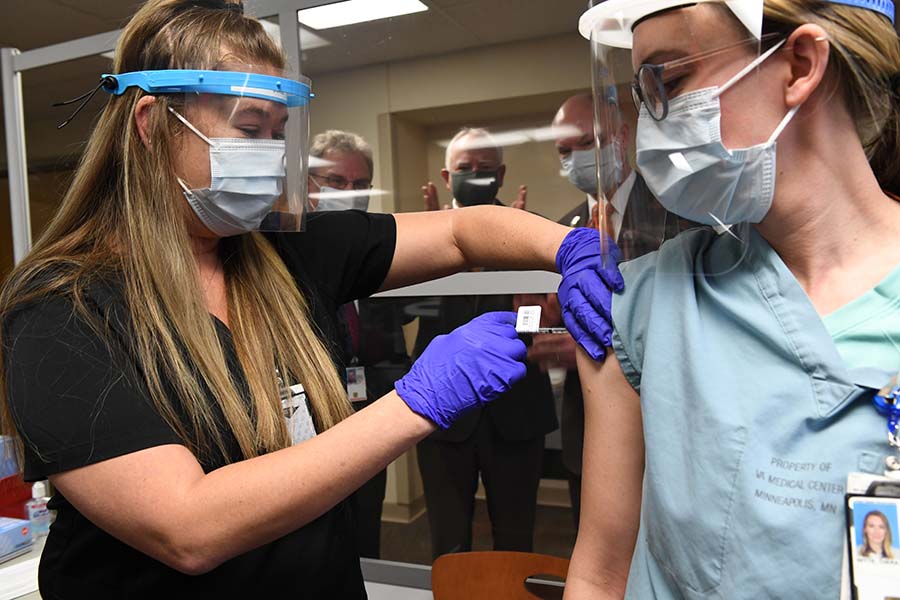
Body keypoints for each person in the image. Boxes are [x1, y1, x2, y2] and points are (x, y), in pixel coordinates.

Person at [0, 1, 617, 597]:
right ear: (151, 125)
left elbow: (463, 231)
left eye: (278, 133)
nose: (269, 156)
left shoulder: (284, 252)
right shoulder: (62, 307)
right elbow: (185, 528)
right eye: (249, 130)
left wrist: (570, 247)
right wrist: (418, 403)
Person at [564, 0, 900, 597]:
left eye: (669, 81)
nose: (652, 127)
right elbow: (600, 572)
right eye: (643, 97)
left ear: (799, 64)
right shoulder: (641, 304)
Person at [532, 92, 690, 527]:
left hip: (666, 424)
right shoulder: (559, 229)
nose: (576, 158)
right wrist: (549, 331)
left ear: (621, 137)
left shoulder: (678, 212)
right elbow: (557, 319)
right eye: (564, 151)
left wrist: (602, 344)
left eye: (587, 143)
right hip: (587, 427)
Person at [414, 127, 559, 559]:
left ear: (502, 174)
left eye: (485, 168)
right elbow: (405, 315)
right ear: (446, 175)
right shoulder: (420, 234)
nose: (474, 176)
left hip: (517, 413)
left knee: (516, 541)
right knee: (448, 543)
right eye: (464, 169)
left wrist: (519, 260)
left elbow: (539, 323)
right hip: (441, 413)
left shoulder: (531, 230)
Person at [308, 129, 414, 559]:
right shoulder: (284, 253)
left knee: (366, 534)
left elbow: (401, 330)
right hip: (308, 430)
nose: (350, 194)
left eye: (359, 185)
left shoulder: (383, 256)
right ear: (309, 184)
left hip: (369, 419)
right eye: (336, 183)